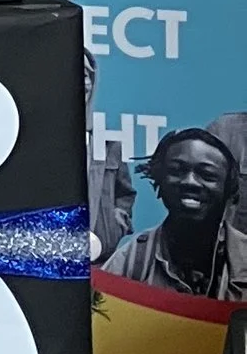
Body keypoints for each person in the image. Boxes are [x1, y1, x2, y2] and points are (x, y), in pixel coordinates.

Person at [104, 127, 247, 299]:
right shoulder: (131, 261)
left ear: (229, 189)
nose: (189, 182)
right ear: (159, 180)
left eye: (207, 174)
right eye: (177, 170)